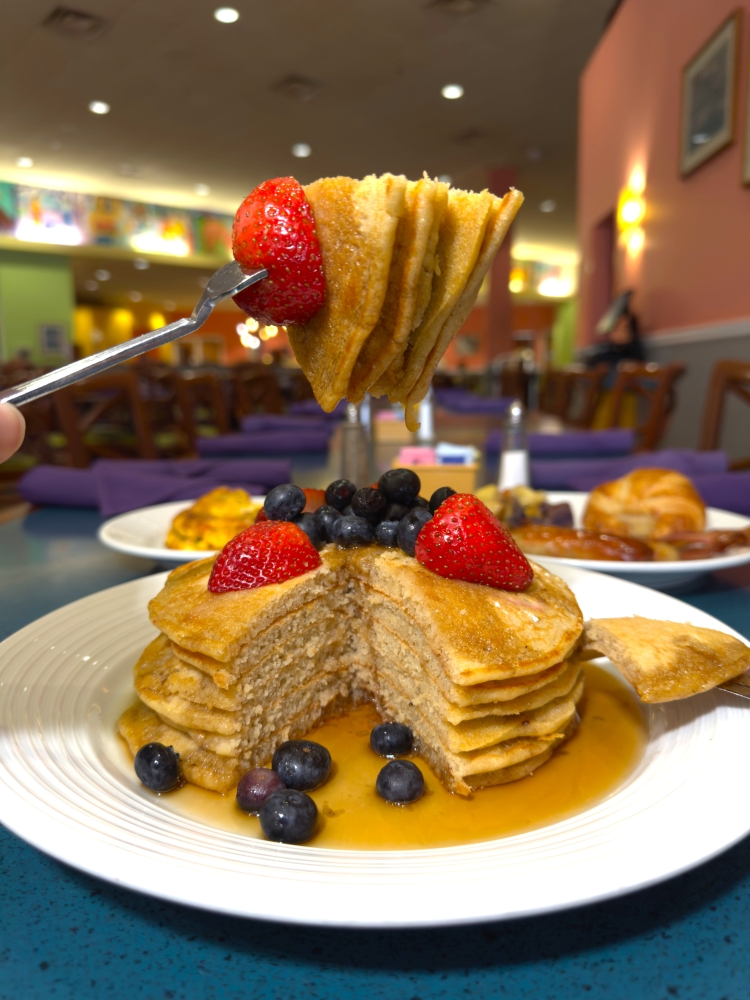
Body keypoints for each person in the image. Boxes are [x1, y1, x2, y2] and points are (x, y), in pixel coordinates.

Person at [583, 290, 645, 371]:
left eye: (624, 328)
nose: (616, 332)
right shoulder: (606, 351)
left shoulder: (634, 349)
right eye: (616, 329)